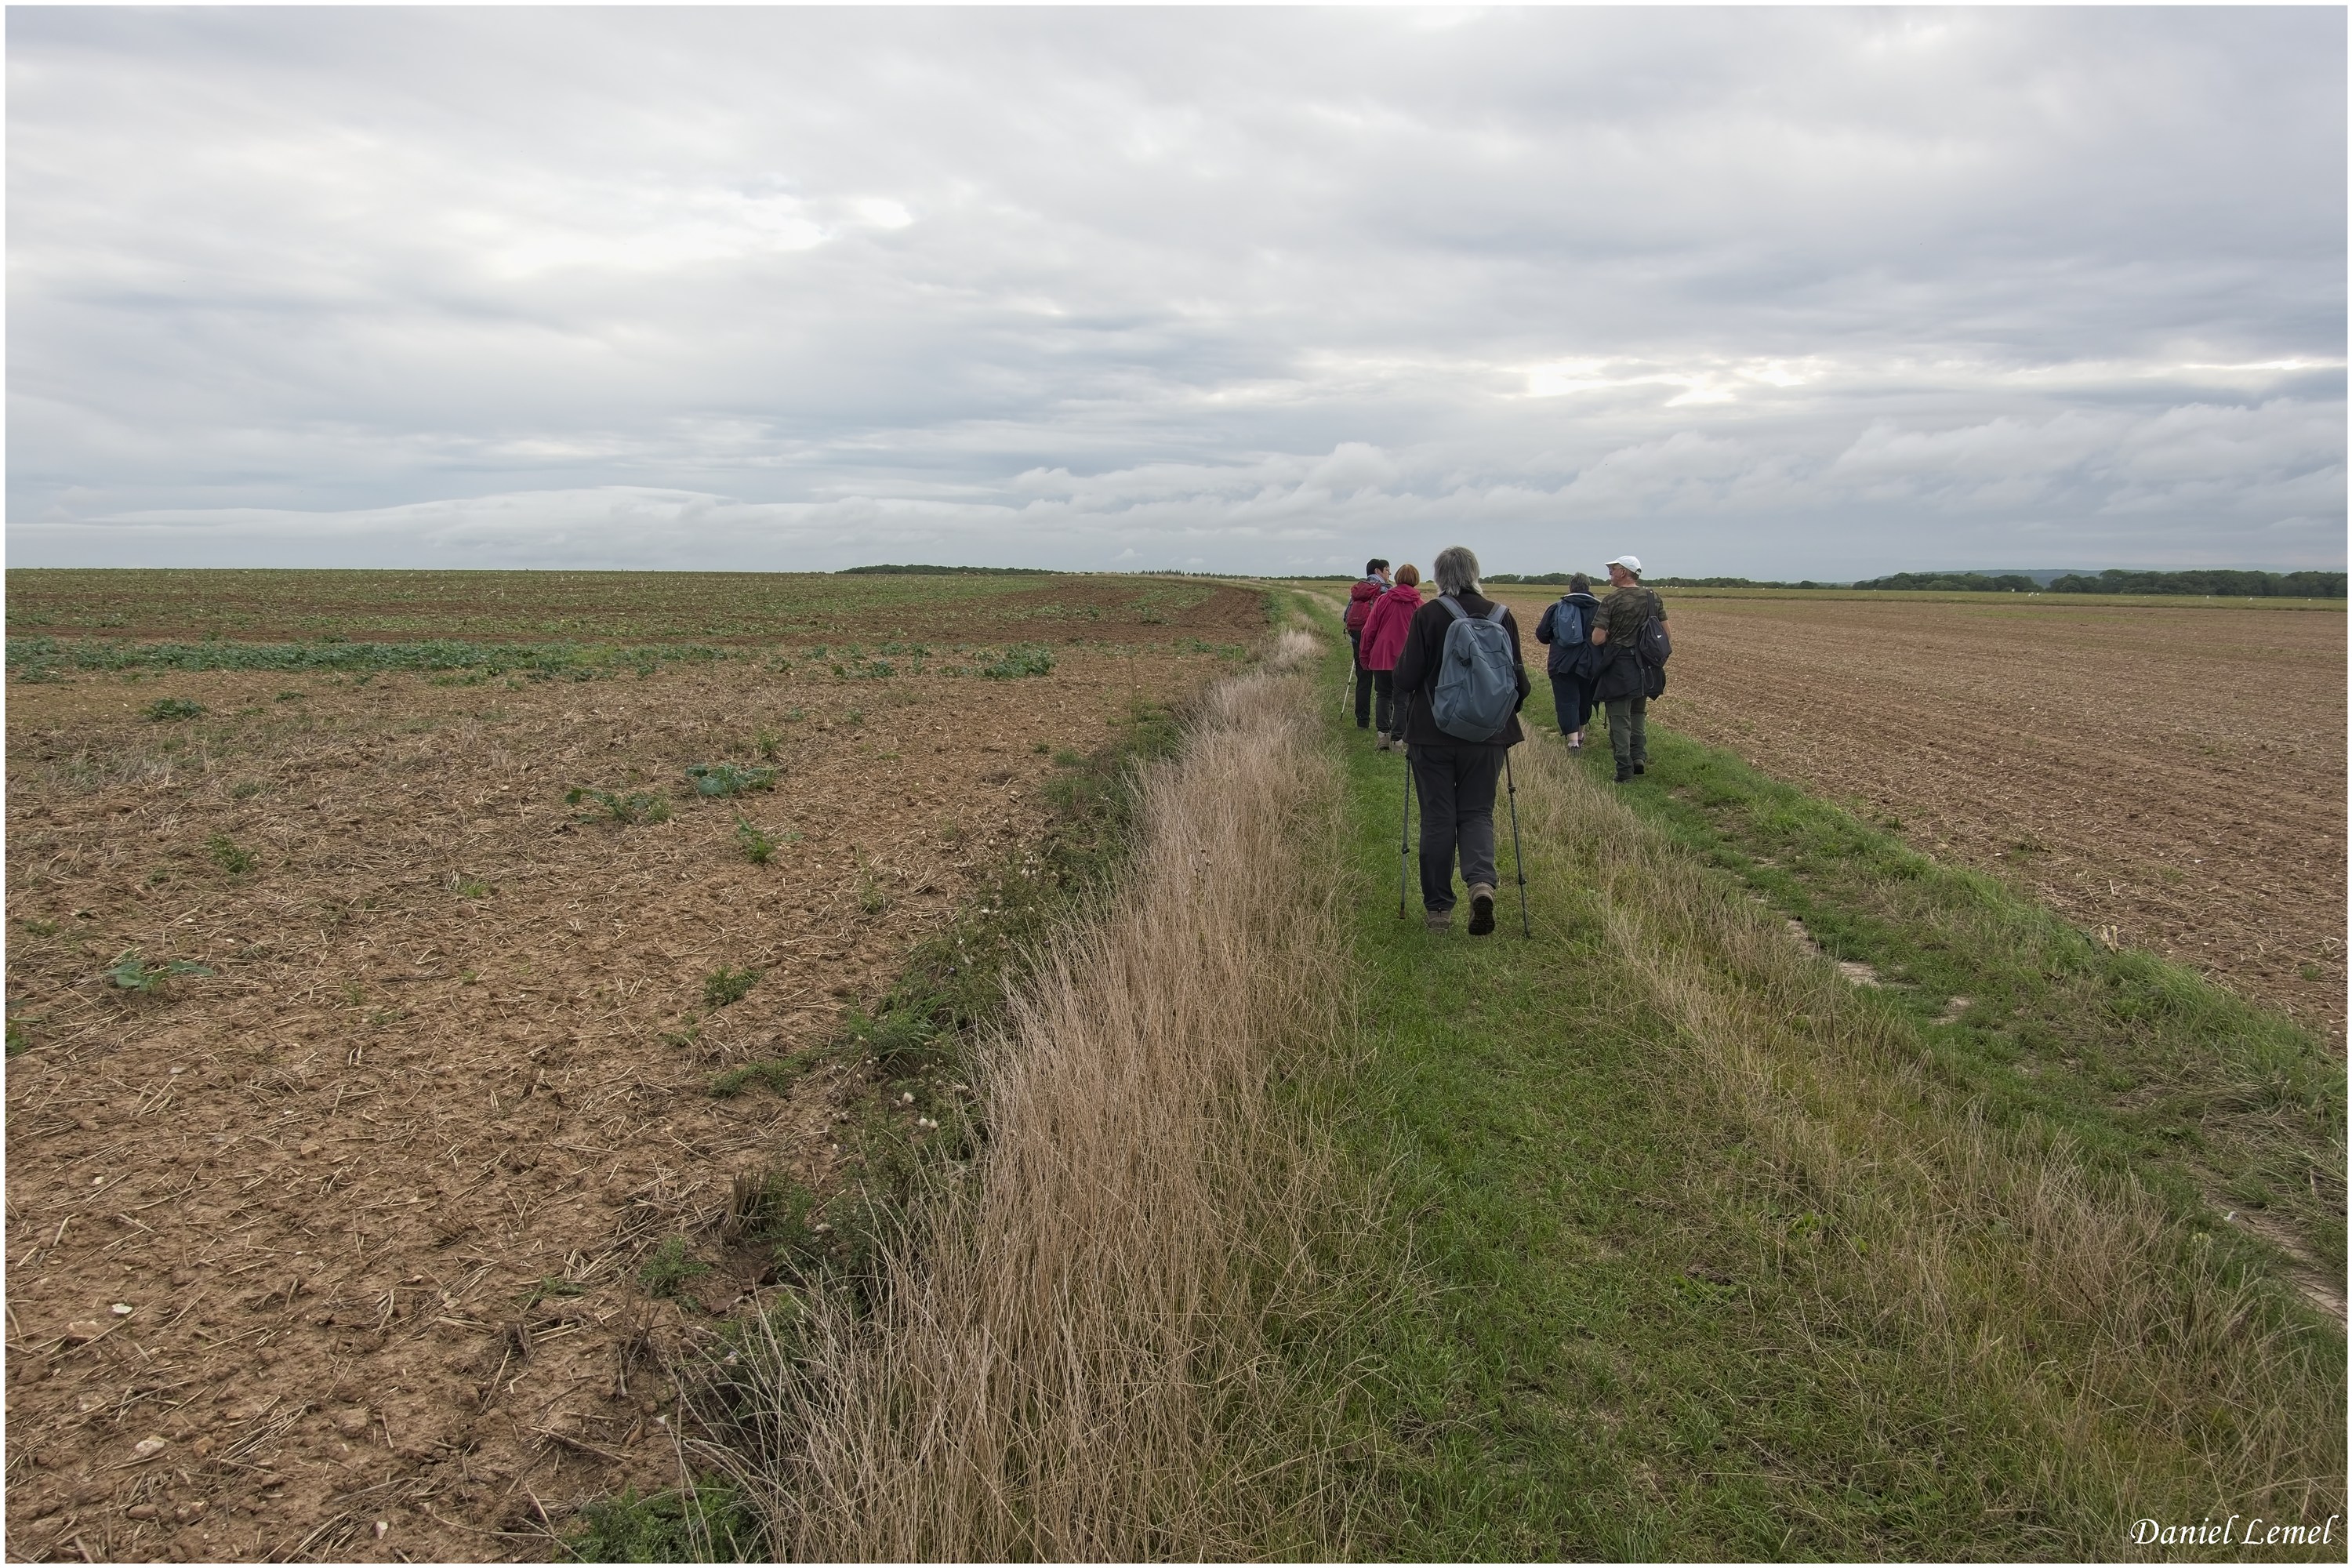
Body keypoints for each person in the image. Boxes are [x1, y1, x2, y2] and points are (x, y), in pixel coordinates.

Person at [1389, 545, 1529, 935]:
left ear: (1439, 577)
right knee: (1477, 812)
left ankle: (1438, 910)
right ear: (1475, 573)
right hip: (1488, 737)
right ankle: (1481, 885)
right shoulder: (1503, 616)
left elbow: (1405, 679)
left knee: (1437, 816)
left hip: (1432, 736)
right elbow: (1521, 685)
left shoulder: (1428, 615)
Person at [1588, 553, 1667, 783]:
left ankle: (1624, 771)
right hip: (1647, 668)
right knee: (1638, 714)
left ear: (1623, 572)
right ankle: (1638, 756)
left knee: (1620, 719)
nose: (1610, 574)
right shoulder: (1653, 597)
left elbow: (1597, 638)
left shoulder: (1611, 601)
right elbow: (1666, 635)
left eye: (1612, 570)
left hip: (1620, 667)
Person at [1356, 563, 1425, 750]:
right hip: (1407, 660)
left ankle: (1383, 737)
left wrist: (1364, 657)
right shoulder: (1420, 605)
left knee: (1383, 695)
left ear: (1398, 578)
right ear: (1416, 580)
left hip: (1382, 657)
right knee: (1402, 699)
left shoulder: (1383, 600)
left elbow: (1368, 631)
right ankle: (1398, 741)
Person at [1533, 572, 1602, 750]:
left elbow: (1542, 634)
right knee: (1585, 698)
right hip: (1590, 663)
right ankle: (1580, 733)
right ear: (1588, 587)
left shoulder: (1557, 607)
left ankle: (1573, 743)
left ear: (1571, 587)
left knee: (1567, 700)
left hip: (1562, 663)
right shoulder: (1600, 608)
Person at [1343, 558, 1391, 730]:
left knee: (1363, 679)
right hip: (1377, 641)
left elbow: (1346, 615)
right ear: (1378, 571)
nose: (1389, 574)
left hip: (1358, 638)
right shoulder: (1385, 590)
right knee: (1383, 684)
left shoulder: (1358, 589)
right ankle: (1385, 722)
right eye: (1387, 570)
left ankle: (1362, 721)